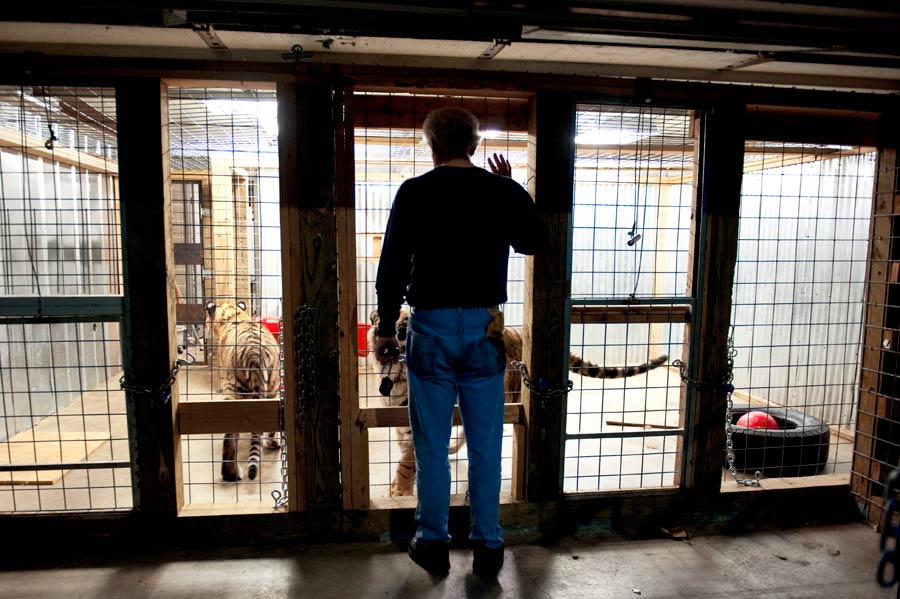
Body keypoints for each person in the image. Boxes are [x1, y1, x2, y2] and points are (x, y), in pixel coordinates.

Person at [373, 106, 545, 580]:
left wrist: (388, 326)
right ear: (473, 146)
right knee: (486, 444)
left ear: (432, 146)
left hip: (429, 327)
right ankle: (488, 547)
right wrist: (513, 189)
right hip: (485, 332)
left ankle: (433, 543)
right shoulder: (499, 190)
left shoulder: (414, 192)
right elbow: (532, 241)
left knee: (430, 444)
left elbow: (391, 266)